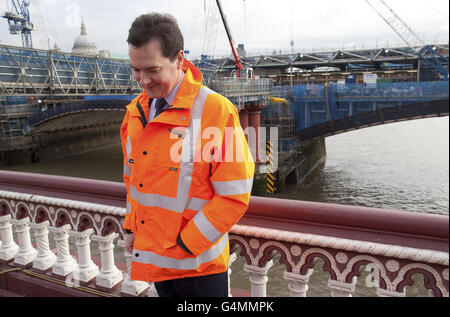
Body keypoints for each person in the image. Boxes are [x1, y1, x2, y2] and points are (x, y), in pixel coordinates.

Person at [121, 13, 255, 297]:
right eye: (136, 70)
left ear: (179, 59)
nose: (143, 81)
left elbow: (234, 195)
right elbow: (134, 181)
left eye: (152, 70)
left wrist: (184, 245)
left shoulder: (215, 111)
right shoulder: (135, 112)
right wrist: (132, 228)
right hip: (156, 257)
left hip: (198, 266)